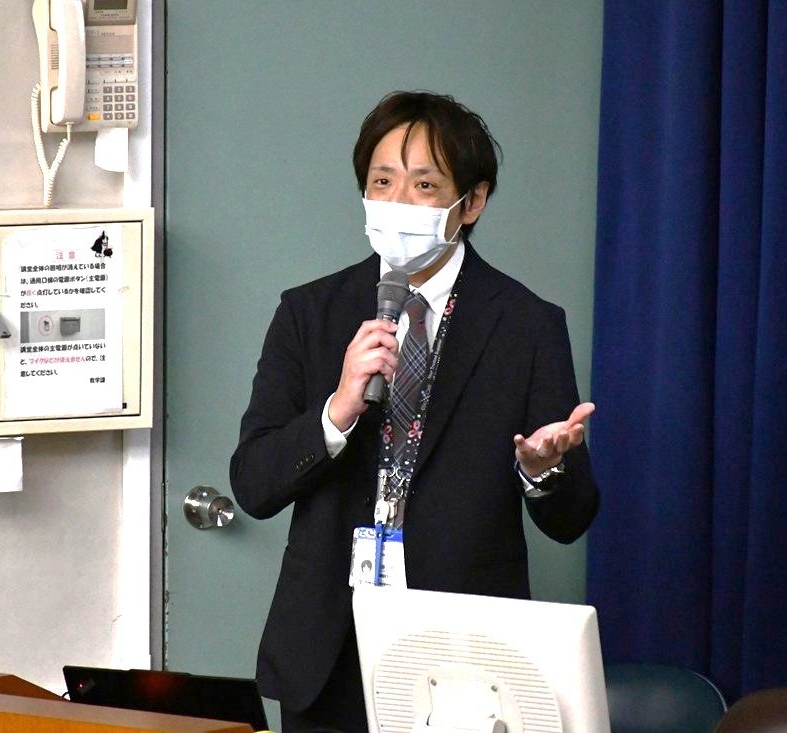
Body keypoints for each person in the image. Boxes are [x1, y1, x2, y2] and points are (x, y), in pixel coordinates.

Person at [229, 90, 599, 732]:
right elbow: (253, 484)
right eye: (382, 181)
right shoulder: (308, 313)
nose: (397, 201)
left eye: (424, 185)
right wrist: (337, 411)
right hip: (329, 651)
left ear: (472, 202)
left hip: (466, 658)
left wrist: (542, 471)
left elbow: (571, 520)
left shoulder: (526, 325)